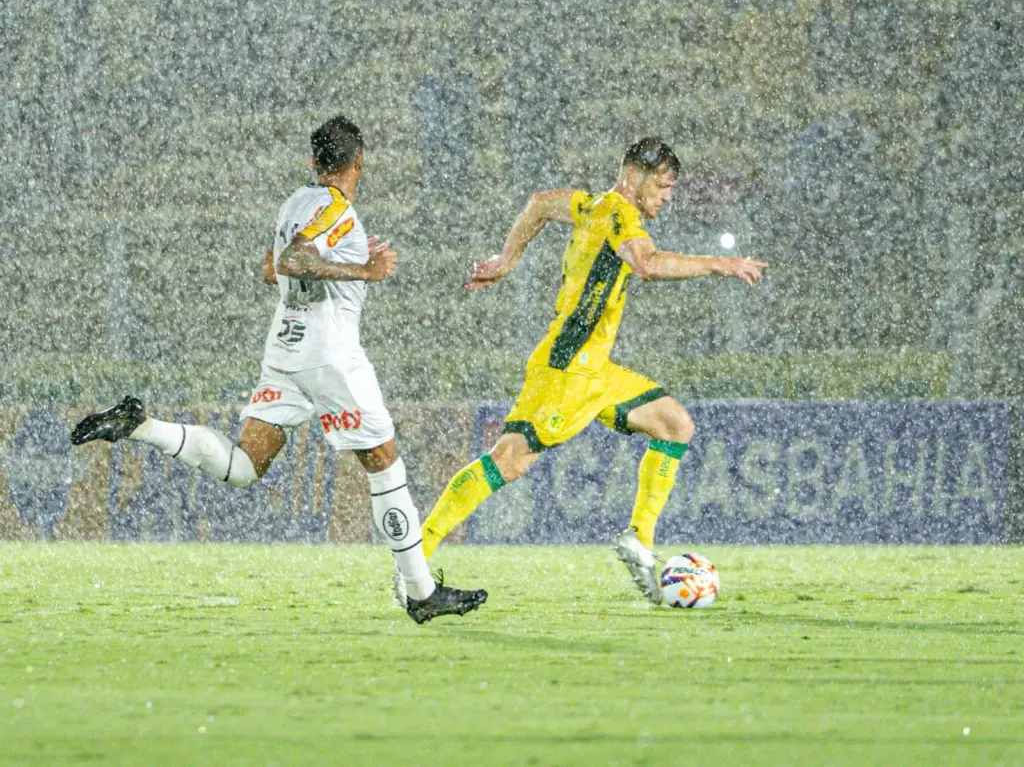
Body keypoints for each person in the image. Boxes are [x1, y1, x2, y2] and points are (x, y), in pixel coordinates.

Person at [71, 114, 487, 624]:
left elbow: (271, 268)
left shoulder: (296, 203)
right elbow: (291, 261)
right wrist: (364, 270)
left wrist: (343, 258)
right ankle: (420, 592)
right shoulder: (336, 209)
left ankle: (142, 426)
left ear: (314, 162)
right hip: (328, 353)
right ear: (359, 162)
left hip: (285, 348)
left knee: (245, 464)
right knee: (385, 463)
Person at [419, 137, 768, 602]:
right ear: (637, 177)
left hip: (595, 370)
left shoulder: (590, 206)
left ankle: (639, 542)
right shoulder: (622, 213)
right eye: (664, 186)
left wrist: (508, 258)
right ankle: (413, 561)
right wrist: (719, 265)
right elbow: (646, 263)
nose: (668, 197)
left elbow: (541, 205)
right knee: (510, 461)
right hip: (567, 369)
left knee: (674, 425)